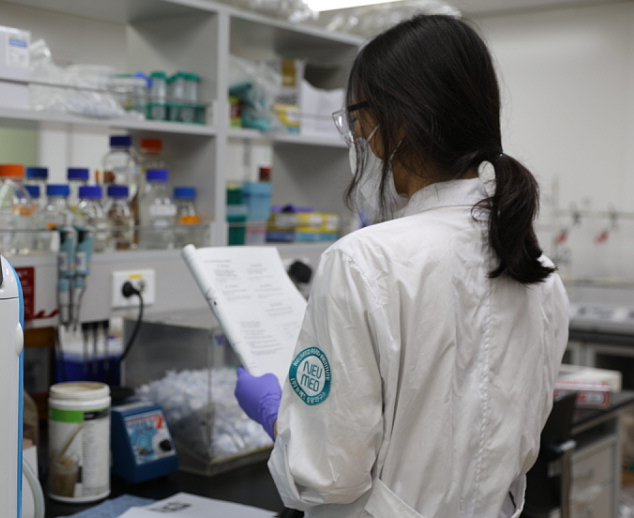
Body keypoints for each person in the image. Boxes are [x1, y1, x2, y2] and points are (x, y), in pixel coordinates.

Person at [234, 14, 569, 518]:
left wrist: (278, 418)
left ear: (399, 123)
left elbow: (326, 476)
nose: (355, 138)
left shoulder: (362, 261)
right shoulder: (538, 271)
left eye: (356, 119)